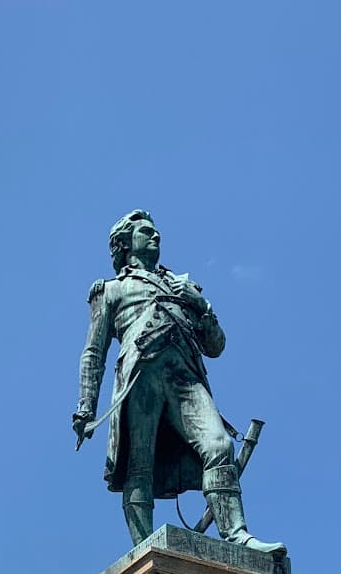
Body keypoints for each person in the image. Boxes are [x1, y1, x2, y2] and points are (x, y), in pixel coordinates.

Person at [74, 210, 284, 554]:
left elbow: (215, 346)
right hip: (139, 374)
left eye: (156, 232)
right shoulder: (111, 290)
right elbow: (93, 352)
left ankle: (237, 534)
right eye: (146, 232)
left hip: (185, 375)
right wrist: (86, 406)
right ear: (125, 244)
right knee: (139, 464)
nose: (155, 236)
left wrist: (200, 304)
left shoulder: (182, 286)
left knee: (220, 446)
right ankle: (144, 549)